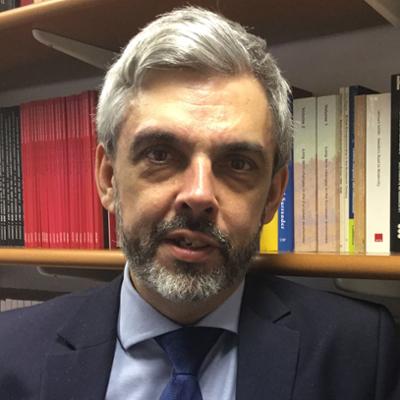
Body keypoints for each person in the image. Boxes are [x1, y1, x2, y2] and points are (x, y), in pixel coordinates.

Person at [0, 6, 399, 400]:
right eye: (160, 154)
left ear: (272, 196)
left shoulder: (362, 351)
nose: (198, 195)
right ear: (108, 178)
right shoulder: (10, 351)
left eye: (237, 163)